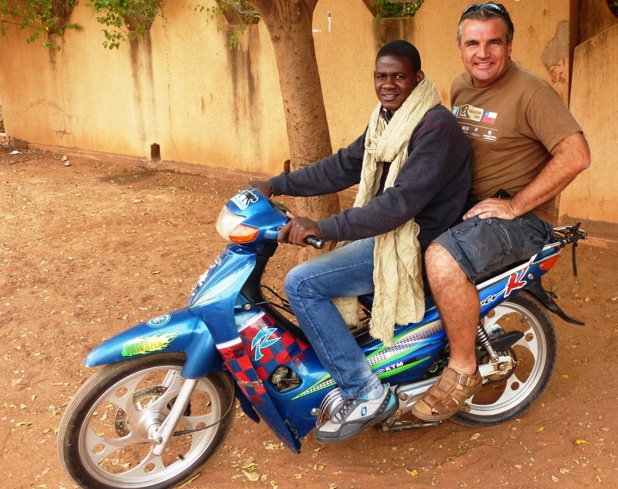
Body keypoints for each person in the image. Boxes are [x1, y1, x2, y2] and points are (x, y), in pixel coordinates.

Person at [249, 40, 472, 443]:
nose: (388, 84)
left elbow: (398, 205)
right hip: (392, 232)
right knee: (313, 276)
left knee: (302, 282)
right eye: (380, 76)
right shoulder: (387, 120)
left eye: (398, 76)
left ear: (417, 78)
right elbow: (341, 167)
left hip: (417, 241)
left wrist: (324, 227)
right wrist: (274, 184)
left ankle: (362, 390)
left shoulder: (434, 128)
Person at [411, 3, 591, 423]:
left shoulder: (532, 92)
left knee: (442, 259)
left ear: (509, 45)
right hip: (469, 209)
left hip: (522, 219)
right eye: (473, 42)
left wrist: (514, 205)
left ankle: (462, 370)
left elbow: (576, 156)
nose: (483, 52)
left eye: (494, 41)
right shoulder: (460, 86)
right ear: (460, 47)